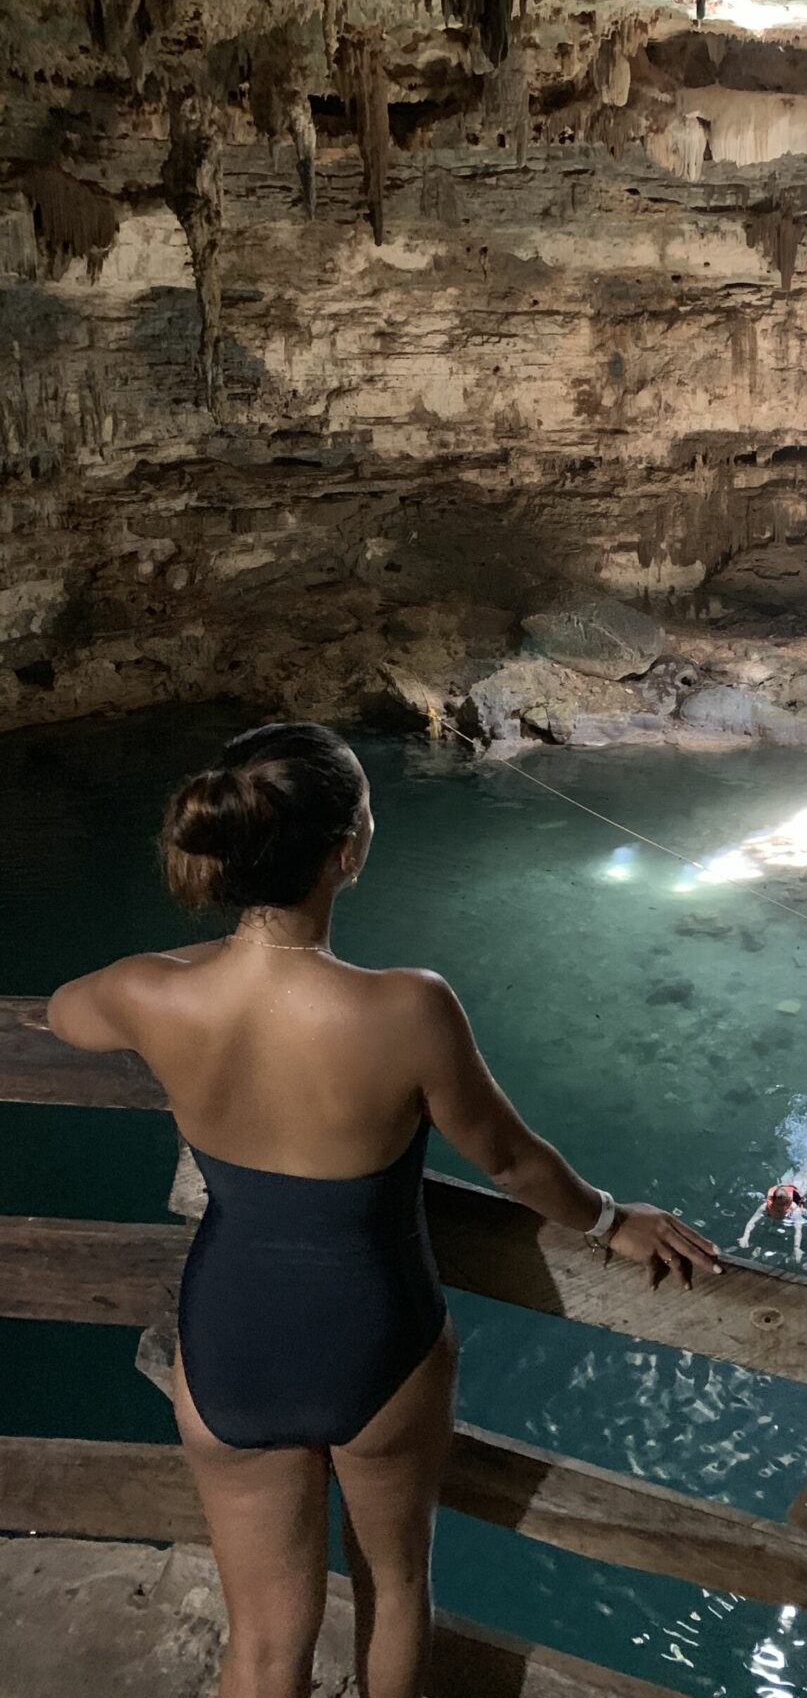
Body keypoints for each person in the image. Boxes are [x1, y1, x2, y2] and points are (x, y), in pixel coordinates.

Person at [45, 722, 719, 1698]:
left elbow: (65, 1012)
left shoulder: (152, 994)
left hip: (229, 1338)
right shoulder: (408, 1008)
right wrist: (612, 1222)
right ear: (347, 853)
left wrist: (208, 962)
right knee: (396, 1593)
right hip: (375, 1337)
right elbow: (514, 1161)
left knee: (264, 1647)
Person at [740, 1135, 807, 1262]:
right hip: (785, 1187)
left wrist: (797, 1248)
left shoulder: (794, 1211)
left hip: (796, 1190)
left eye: (780, 1208)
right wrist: (745, 1237)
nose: (778, 1210)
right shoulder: (765, 1207)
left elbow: (798, 1230)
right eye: (776, 1207)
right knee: (792, 1175)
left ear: (787, 1205)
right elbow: (752, 1221)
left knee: (805, 1172)